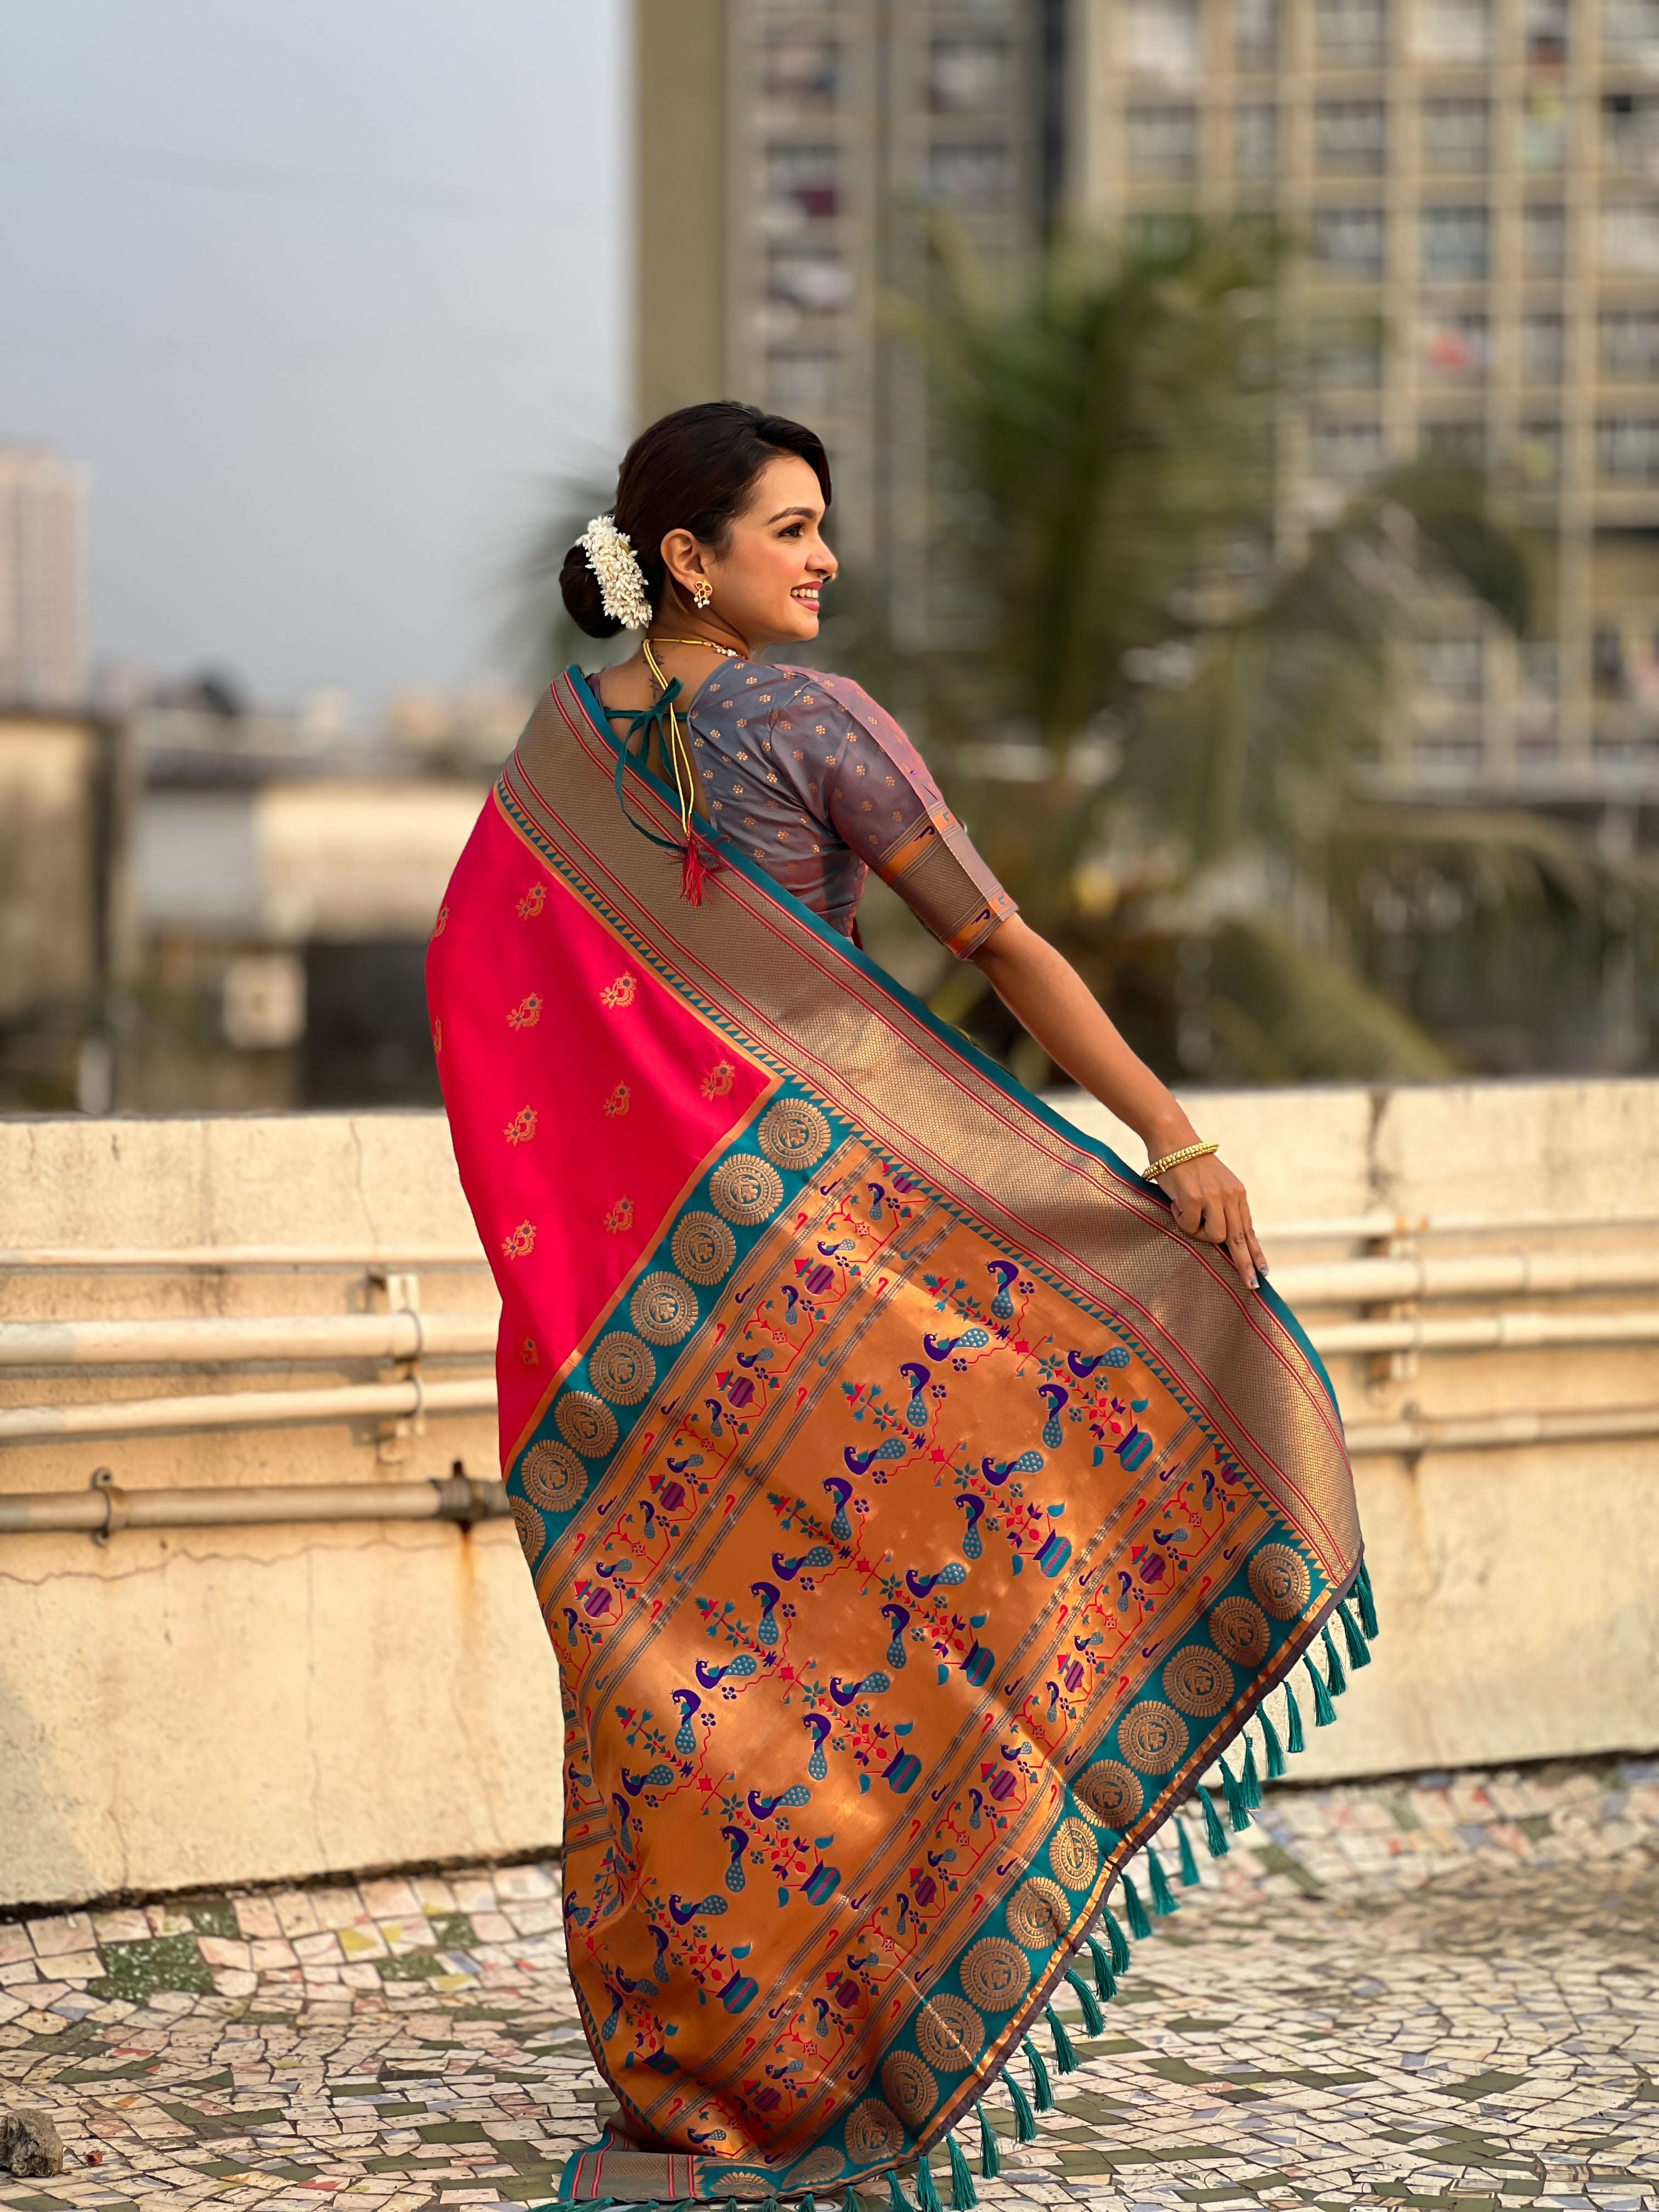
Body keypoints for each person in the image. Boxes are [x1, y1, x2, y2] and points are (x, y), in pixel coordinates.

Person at [427, 403, 1368, 2210]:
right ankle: (857, 2031)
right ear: (684, 562)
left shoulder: (557, 756)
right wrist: (1172, 1141)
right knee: (936, 1602)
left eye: (822, 528)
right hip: (822, 1273)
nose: (825, 559)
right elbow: (997, 945)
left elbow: (480, 994)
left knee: (685, 1688)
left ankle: (696, 2100)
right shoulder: (812, 718)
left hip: (621, 1314)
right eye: (789, 528)